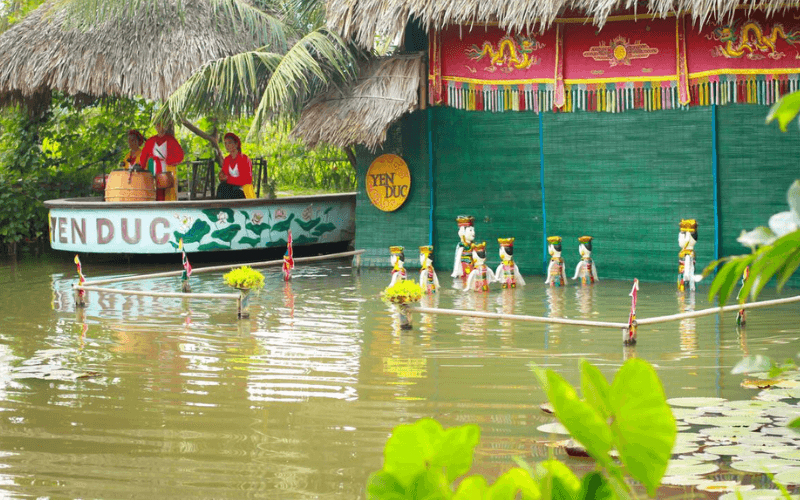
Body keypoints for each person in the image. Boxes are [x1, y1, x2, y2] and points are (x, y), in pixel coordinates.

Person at [139, 120, 185, 201]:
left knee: (166, 191)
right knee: (153, 190)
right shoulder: (151, 140)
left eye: (162, 125)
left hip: (166, 168)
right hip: (152, 167)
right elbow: (144, 156)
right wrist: (141, 167)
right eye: (158, 125)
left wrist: (170, 161)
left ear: (166, 127)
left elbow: (180, 155)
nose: (160, 127)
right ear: (156, 127)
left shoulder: (171, 140)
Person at [216, 132, 255, 199]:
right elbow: (224, 174)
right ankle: (220, 208)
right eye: (226, 143)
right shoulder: (227, 159)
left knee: (228, 189)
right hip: (231, 188)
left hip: (243, 189)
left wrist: (228, 179)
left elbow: (247, 180)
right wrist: (221, 176)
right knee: (222, 187)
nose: (227, 145)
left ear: (236, 144)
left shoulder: (244, 159)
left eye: (230, 143)